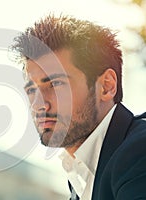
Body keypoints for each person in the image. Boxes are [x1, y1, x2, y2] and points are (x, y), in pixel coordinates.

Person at [11, 15, 146, 200]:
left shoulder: (139, 152)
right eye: (32, 90)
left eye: (56, 84)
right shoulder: (82, 178)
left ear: (106, 86)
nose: (39, 104)